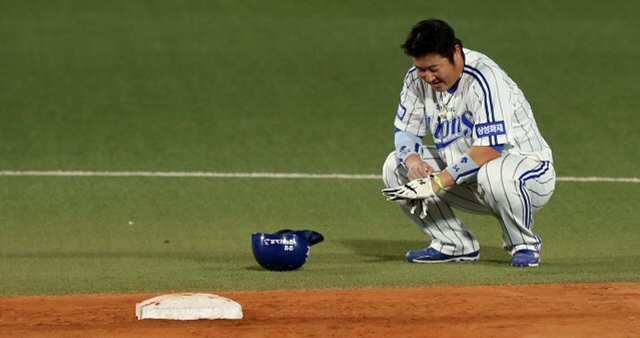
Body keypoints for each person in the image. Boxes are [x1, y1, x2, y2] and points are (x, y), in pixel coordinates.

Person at [381, 19, 555, 267]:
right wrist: (413, 162)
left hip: (528, 176)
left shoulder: (486, 78)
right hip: (467, 177)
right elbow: (405, 132)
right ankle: (454, 244)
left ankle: (523, 244)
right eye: (421, 68)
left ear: (456, 52)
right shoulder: (415, 80)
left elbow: (490, 149)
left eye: (434, 68)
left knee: (494, 173)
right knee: (394, 166)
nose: (428, 77)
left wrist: (438, 182)